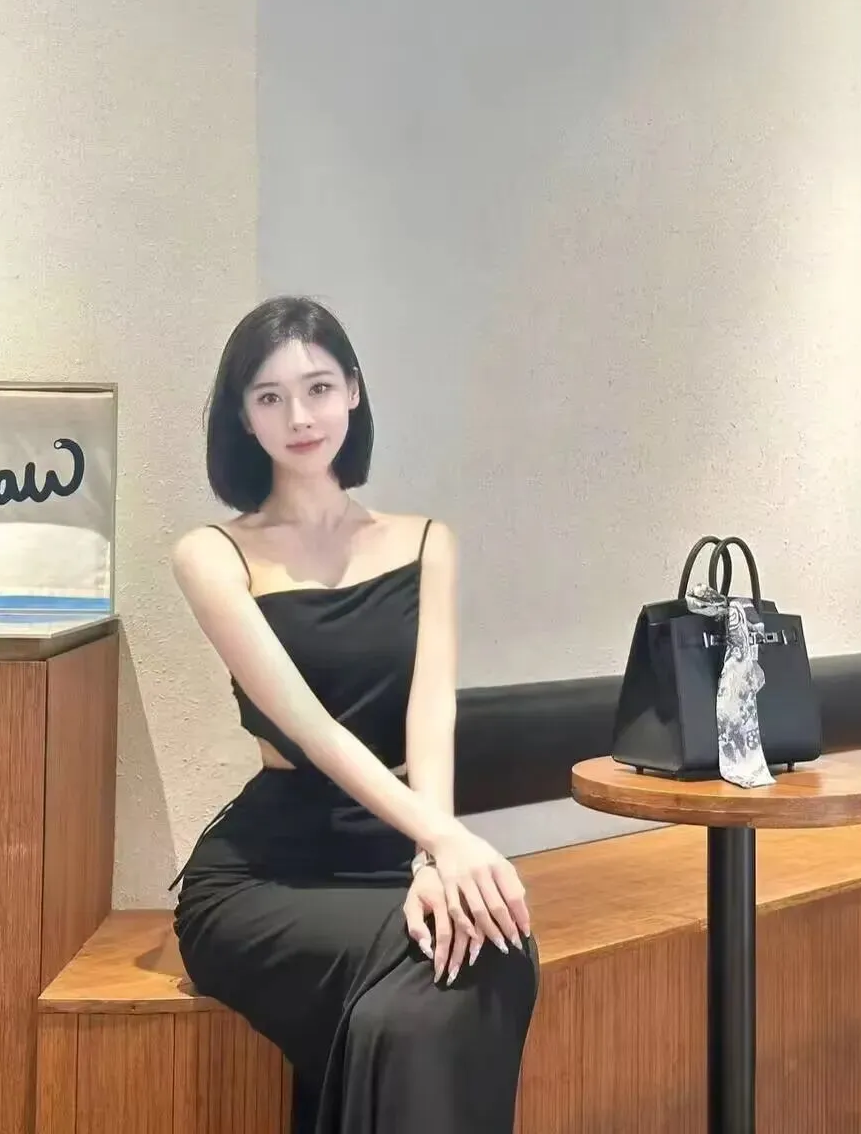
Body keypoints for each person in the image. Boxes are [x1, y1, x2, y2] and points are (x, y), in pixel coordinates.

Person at [170, 296, 539, 1134]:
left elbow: (430, 711)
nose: (299, 417)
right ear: (244, 417)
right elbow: (311, 728)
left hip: (393, 850)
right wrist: (445, 840)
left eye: (318, 388)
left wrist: (433, 854)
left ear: (354, 392)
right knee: (447, 961)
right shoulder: (212, 554)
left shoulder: (427, 541)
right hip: (268, 872)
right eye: (270, 397)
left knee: (487, 952)